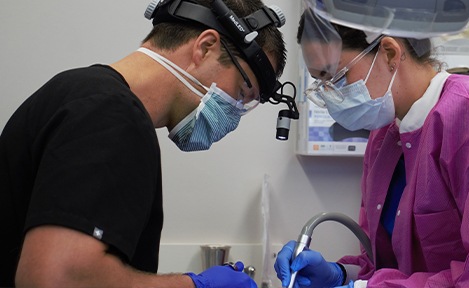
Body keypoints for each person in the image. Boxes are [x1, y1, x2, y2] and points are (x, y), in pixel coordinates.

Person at [0, 0, 287, 287]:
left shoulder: (80, 93)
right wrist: (194, 285)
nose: (234, 115)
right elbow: (57, 278)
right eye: (241, 92)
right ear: (205, 47)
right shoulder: (111, 115)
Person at [274, 8, 469, 288]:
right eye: (321, 85)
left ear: (388, 53)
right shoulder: (384, 136)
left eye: (335, 78)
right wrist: (341, 274)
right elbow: (384, 264)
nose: (330, 96)